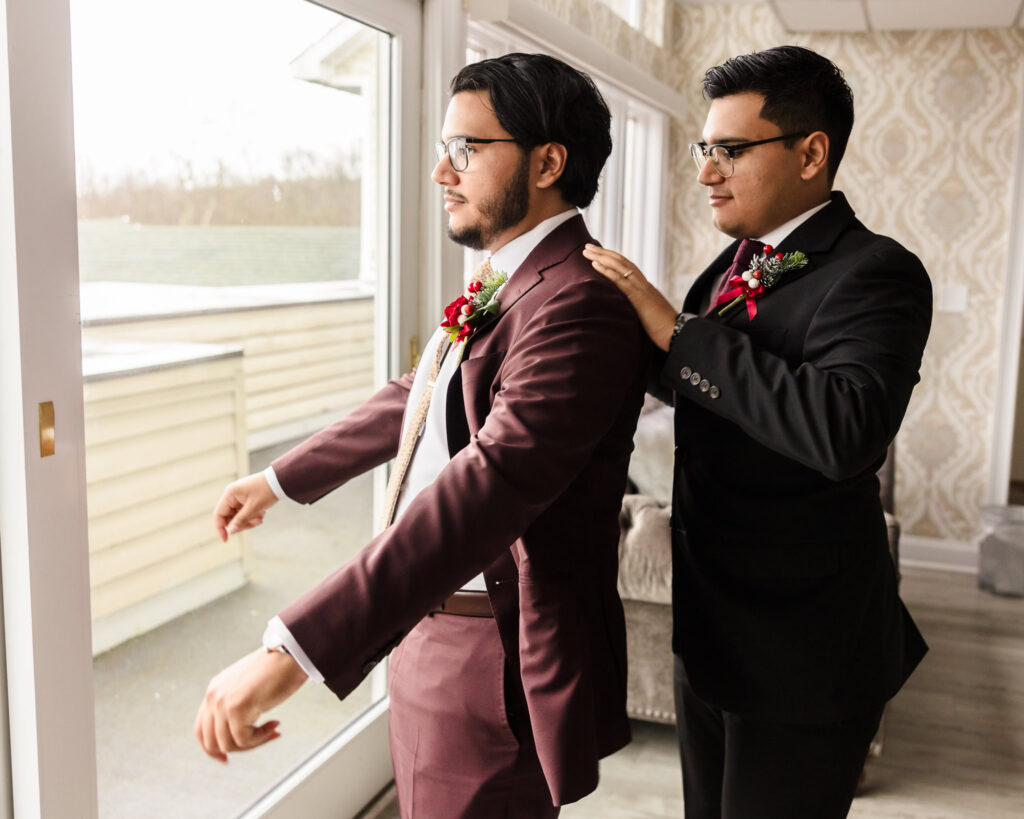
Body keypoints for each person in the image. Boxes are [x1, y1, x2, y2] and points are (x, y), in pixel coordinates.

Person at [193, 52, 649, 818]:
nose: (442, 172)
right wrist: (277, 479)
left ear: (547, 162)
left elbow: (493, 481)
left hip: (488, 656)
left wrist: (293, 650)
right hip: (424, 629)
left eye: (466, 149)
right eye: (445, 148)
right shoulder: (512, 277)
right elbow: (422, 392)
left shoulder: (579, 301)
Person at [583, 45, 931, 819]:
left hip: (802, 652)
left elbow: (844, 431)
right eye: (704, 149)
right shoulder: (731, 265)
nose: (707, 172)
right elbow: (703, 386)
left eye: (732, 150)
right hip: (709, 633)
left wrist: (679, 333)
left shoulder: (877, 272)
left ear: (811, 153)